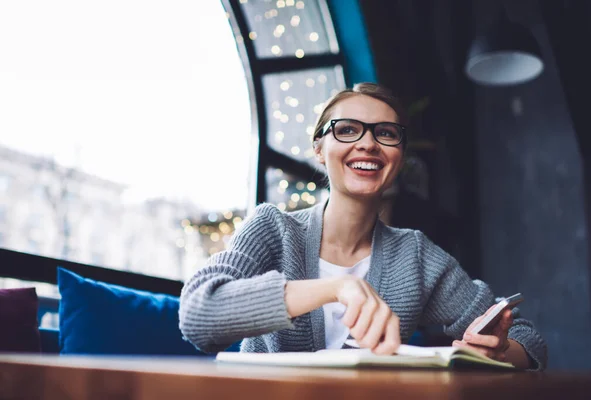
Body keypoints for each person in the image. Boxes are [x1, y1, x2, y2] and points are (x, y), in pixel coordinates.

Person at [179, 83, 547, 370]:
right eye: (348, 130)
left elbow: (530, 340)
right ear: (319, 149)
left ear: (398, 157)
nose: (368, 143)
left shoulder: (414, 256)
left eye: (385, 133)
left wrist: (498, 350)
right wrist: (338, 287)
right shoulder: (272, 229)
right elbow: (198, 316)